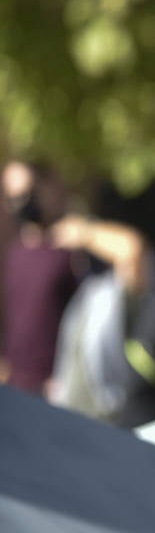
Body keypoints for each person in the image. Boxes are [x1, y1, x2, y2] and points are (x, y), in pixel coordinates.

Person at [1, 160, 85, 395]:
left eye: (26, 194)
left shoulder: (69, 247)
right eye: (12, 197)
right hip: (16, 386)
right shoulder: (15, 253)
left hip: (56, 387)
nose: (21, 203)